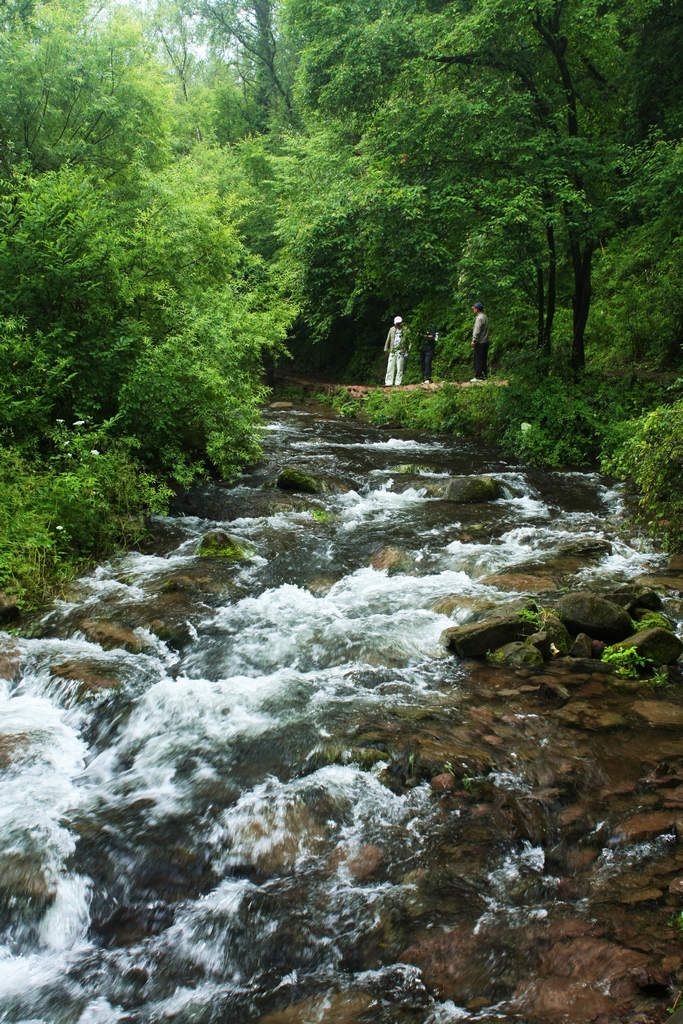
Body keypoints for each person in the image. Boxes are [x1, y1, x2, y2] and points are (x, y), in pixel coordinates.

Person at [384, 315, 410, 386]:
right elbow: (388, 339)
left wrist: (407, 351)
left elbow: (410, 342)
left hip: (401, 351)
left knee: (400, 368)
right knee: (390, 367)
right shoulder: (391, 329)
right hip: (392, 350)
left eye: (398, 323)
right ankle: (388, 383)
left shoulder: (406, 330)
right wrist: (386, 349)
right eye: (396, 324)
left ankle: (398, 383)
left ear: (401, 323)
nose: (397, 325)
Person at [470, 301, 489, 381]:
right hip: (486, 341)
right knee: (483, 359)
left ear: (477, 309)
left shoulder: (479, 318)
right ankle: (485, 376)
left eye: (474, 308)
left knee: (478, 359)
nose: (473, 310)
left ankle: (478, 377)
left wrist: (474, 340)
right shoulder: (485, 316)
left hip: (480, 342)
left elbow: (477, 330)